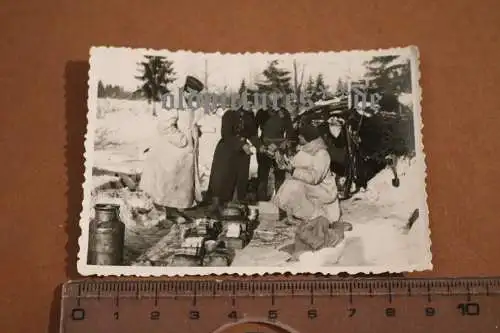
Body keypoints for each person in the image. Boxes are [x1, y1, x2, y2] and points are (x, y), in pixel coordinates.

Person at [273, 124, 341, 224]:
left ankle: (317, 217)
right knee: (290, 183)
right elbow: (297, 165)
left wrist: (293, 171)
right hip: (313, 188)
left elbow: (314, 178)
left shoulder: (321, 153)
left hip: (323, 191)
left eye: (301, 135)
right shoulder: (306, 148)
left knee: (293, 186)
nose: (299, 137)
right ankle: (293, 215)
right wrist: (284, 164)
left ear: (308, 137)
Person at [139, 110, 196, 214]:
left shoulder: (187, 99)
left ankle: (172, 210)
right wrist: (182, 139)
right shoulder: (174, 98)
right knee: (166, 185)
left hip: (181, 153)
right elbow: (164, 126)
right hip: (171, 150)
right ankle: (168, 212)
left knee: (176, 186)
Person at [206, 105, 260, 214]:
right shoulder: (229, 114)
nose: (251, 105)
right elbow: (226, 134)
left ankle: (233, 203)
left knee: (239, 177)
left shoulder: (250, 116)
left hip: (242, 152)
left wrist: (261, 146)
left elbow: (253, 135)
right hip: (226, 149)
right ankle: (216, 203)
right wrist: (241, 145)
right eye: (249, 102)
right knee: (220, 177)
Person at [255, 107, 295, 208]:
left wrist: (286, 141)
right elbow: (253, 130)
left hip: (280, 147)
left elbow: (290, 130)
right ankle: (261, 202)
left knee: (280, 175)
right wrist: (259, 145)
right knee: (263, 175)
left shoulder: (284, 112)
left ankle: (280, 202)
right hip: (265, 146)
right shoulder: (261, 112)